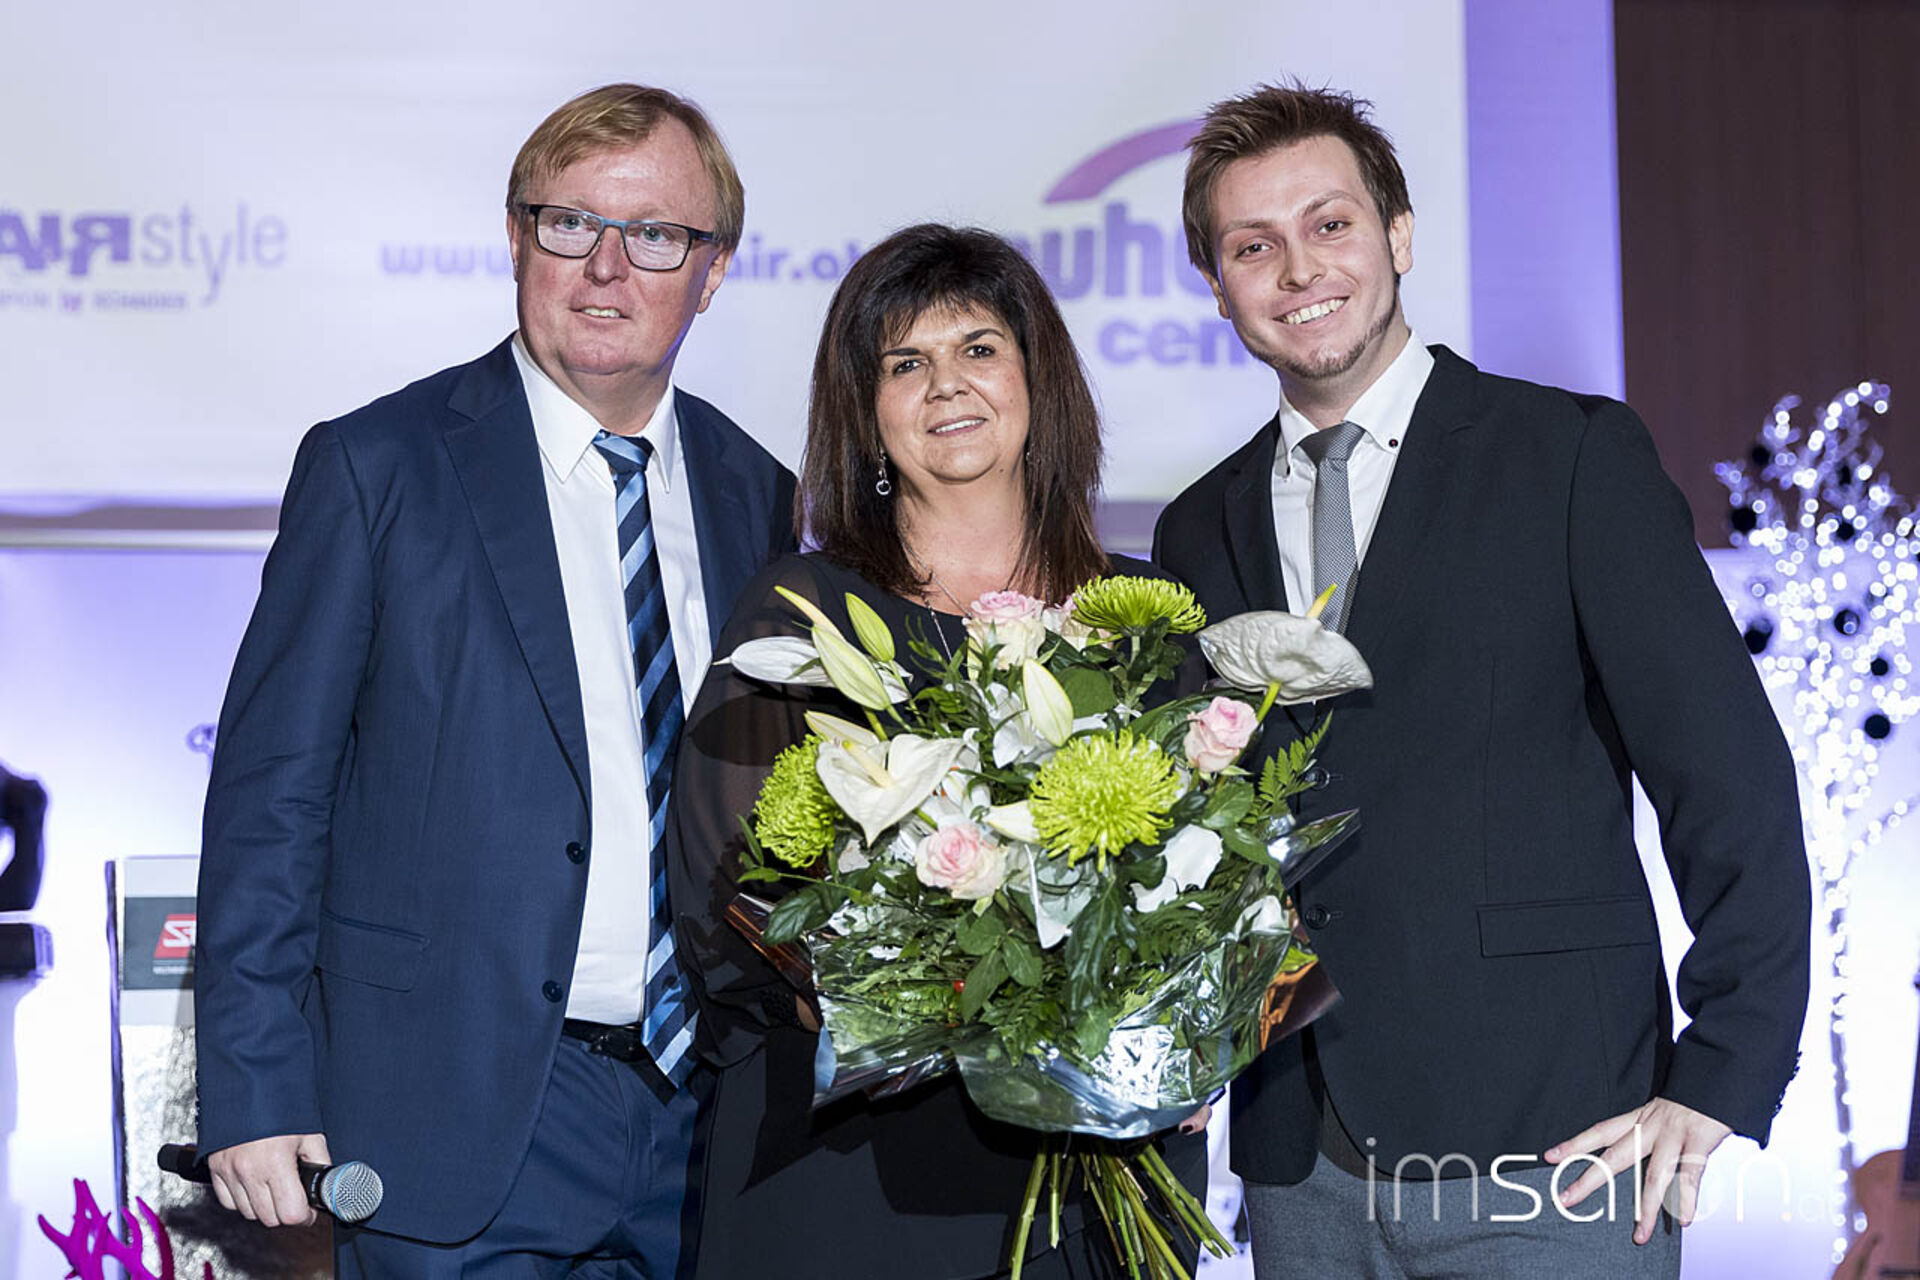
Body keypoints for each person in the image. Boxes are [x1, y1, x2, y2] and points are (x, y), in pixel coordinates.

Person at [1154, 85, 1809, 1278]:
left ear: (1398, 234)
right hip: (1301, 1157)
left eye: (1330, 225)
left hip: (1557, 1139)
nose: (1299, 270)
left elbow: (1728, 778)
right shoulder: (1198, 527)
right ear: (1217, 283)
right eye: (1254, 246)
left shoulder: (1570, 456)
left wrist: (1727, 1066)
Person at [194, 83, 796, 1277]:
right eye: (570, 223)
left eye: (655, 234)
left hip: (709, 1118)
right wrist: (256, 1082)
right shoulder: (377, 468)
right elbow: (272, 797)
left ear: (713, 269)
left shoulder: (760, 492)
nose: (606, 267)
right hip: (452, 1118)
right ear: (517, 238)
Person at [666, 223, 1209, 1280]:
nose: (946, 384)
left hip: (1100, 1165)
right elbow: (722, 894)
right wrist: (930, 998)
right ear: (866, 416)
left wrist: (1183, 1028)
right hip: (851, 1175)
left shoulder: (1145, 617)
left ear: (1038, 380)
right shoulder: (805, 614)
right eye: (904, 363)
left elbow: (1222, 879)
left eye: (978, 348)